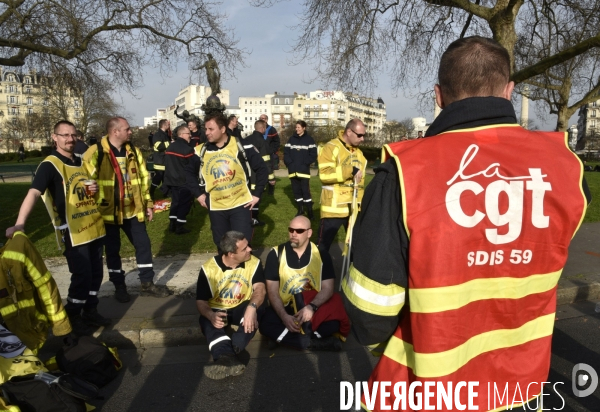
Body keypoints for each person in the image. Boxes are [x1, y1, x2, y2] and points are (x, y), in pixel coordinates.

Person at [342, 36, 591, 411]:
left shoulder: (403, 173)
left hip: (428, 388)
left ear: (438, 96)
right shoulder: (567, 168)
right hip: (522, 387)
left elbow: (370, 310)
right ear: (510, 91)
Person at [6, 120, 107, 336]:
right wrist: (20, 224)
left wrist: (94, 189)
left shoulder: (81, 161)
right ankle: (73, 314)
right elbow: (33, 193)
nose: (70, 139)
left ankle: (90, 310)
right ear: (55, 138)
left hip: (94, 227)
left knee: (96, 274)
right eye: (64, 135)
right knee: (82, 275)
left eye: (73, 135)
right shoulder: (49, 165)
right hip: (74, 232)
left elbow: (88, 191)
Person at [83, 117, 171, 303]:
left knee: (143, 245)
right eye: (127, 129)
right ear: (115, 131)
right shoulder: (96, 152)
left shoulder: (134, 151)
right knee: (113, 251)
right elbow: (84, 183)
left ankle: (147, 283)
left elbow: (143, 180)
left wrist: (148, 205)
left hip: (132, 210)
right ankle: (119, 286)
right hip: (107, 214)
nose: (130, 132)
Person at [259, 216, 348, 351]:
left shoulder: (321, 254)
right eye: (291, 230)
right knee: (264, 324)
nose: (294, 234)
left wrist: (311, 307)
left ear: (309, 233)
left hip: (312, 306)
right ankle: (313, 343)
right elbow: (272, 291)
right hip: (286, 308)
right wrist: (284, 316)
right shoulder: (275, 254)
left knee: (333, 324)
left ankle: (282, 338)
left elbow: (328, 288)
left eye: (299, 231)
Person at [196, 231, 266, 380]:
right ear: (231, 254)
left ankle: (225, 355)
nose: (250, 250)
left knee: (258, 310)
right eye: (244, 249)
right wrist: (211, 315)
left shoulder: (254, 262)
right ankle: (231, 355)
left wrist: (251, 308)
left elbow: (260, 289)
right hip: (219, 309)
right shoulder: (208, 269)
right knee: (206, 320)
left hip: (243, 307)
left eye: (248, 245)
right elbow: (201, 302)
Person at [196, 112, 268, 251]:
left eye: (211, 129)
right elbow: (187, 174)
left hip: (240, 204)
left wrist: (257, 194)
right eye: (206, 129)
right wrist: (198, 194)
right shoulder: (201, 151)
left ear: (222, 129)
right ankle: (226, 271)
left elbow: (262, 169)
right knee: (221, 244)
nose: (207, 133)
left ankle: (244, 271)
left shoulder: (241, 145)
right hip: (217, 207)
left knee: (242, 243)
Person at [316, 119, 367, 252]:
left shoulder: (360, 154)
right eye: (360, 135)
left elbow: (360, 184)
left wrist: (361, 205)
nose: (362, 139)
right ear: (349, 131)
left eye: (364, 135)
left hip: (353, 209)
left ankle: (350, 273)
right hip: (333, 209)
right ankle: (327, 273)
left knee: (356, 248)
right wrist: (350, 170)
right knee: (322, 248)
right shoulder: (331, 147)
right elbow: (324, 175)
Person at [164, 126, 200, 234]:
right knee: (184, 203)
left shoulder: (170, 147)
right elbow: (193, 165)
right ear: (181, 134)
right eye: (188, 133)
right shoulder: (187, 149)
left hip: (171, 180)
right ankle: (180, 226)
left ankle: (172, 223)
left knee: (175, 202)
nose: (190, 136)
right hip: (184, 181)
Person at [242, 120, 273, 227]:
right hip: (257, 175)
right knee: (255, 198)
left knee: (247, 197)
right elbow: (266, 161)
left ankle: (246, 217)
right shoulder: (262, 141)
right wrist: (271, 177)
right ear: (263, 128)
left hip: (246, 174)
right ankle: (254, 218)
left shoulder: (245, 140)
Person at [284, 120, 317, 219]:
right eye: (296, 127)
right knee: (296, 191)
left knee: (305, 191)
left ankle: (310, 212)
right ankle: (300, 209)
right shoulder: (291, 139)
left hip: (304, 171)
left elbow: (313, 155)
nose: (297, 129)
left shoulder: (309, 140)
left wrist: (305, 164)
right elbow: (286, 153)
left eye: (299, 127)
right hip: (292, 170)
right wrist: (290, 164)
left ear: (304, 128)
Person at [150, 119, 171, 199]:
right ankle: (151, 192)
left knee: (165, 178)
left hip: (165, 160)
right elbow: (159, 146)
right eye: (168, 124)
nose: (169, 126)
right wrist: (169, 143)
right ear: (164, 125)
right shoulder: (157, 135)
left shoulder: (165, 134)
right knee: (158, 178)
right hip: (159, 161)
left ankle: (166, 193)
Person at [259, 114, 279, 195]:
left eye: (264, 118)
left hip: (269, 154)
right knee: (261, 172)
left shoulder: (272, 129)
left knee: (270, 172)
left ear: (267, 120)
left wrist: (273, 151)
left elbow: (277, 141)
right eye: (261, 118)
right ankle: (262, 187)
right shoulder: (258, 129)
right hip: (260, 154)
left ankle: (271, 189)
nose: (263, 120)